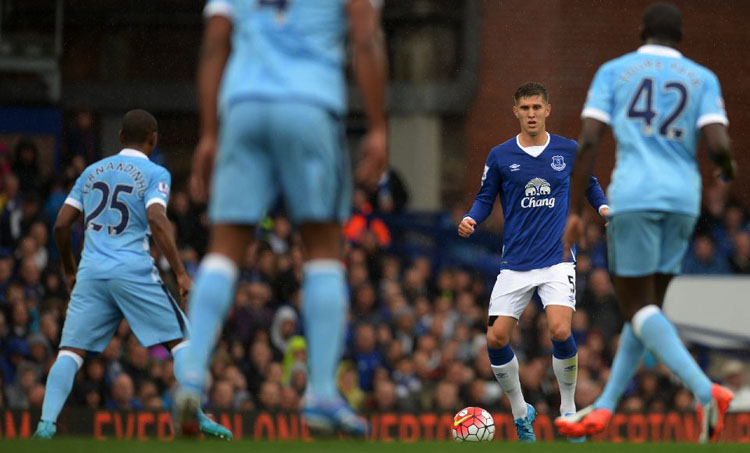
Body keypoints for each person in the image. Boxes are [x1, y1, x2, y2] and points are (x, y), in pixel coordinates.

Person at [174, 0, 387, 438]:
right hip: (310, 105)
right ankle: (322, 394)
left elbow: (215, 45)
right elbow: (365, 37)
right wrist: (379, 126)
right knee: (325, 250)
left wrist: (209, 134)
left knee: (225, 249)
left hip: (243, 107)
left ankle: (192, 375)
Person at [557, 2, 736, 443]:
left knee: (637, 307)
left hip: (635, 196)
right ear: (680, 38)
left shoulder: (614, 71)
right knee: (646, 310)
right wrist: (727, 169)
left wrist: (576, 212)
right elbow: (718, 144)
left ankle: (705, 390)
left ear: (640, 31)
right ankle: (605, 407)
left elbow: (590, 141)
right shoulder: (703, 78)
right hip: (683, 201)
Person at [32, 110, 232, 440]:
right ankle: (193, 414)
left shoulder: (91, 171)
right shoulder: (155, 172)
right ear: (153, 139)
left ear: (121, 138)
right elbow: (156, 218)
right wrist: (181, 272)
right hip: (132, 270)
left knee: (70, 352)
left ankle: (46, 425)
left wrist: (70, 271)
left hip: (91, 273)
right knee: (183, 341)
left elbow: (61, 224)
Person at [458, 82, 609, 442]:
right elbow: (484, 197)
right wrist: (472, 218)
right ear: (516, 111)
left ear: (547, 109)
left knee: (559, 330)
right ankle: (520, 410)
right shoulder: (500, 155)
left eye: (536, 107)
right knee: (495, 339)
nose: (530, 114)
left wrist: (603, 207)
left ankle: (569, 409)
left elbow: (588, 183)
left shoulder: (567, 150)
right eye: (524, 108)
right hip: (515, 263)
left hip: (557, 259)